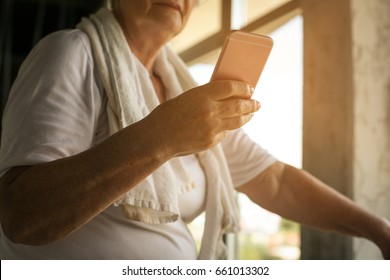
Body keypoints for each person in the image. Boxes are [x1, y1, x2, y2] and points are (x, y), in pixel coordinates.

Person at [0, 0, 389, 260]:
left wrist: (379, 230)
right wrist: (162, 137)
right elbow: (21, 216)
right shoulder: (70, 52)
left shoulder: (182, 89)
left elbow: (275, 182)